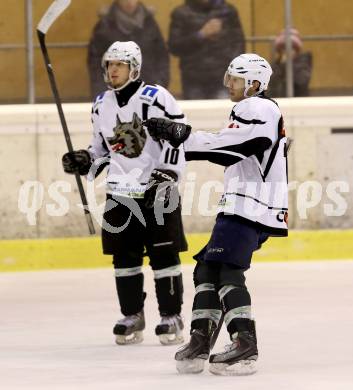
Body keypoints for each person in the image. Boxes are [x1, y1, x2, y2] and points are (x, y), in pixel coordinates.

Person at [144, 53, 289, 375]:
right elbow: (233, 146)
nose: (229, 85)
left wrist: (182, 135)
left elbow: (234, 147)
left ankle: (244, 344)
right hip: (245, 204)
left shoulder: (258, 107)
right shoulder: (253, 109)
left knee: (226, 270)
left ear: (254, 83)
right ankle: (201, 338)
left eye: (235, 79)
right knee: (206, 269)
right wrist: (178, 136)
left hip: (250, 205)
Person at [62, 41, 187, 346]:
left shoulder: (156, 98)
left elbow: (179, 137)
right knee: (124, 257)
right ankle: (132, 314)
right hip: (121, 191)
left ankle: (171, 316)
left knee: (163, 254)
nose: (113, 70)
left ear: (134, 67)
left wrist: (168, 173)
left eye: (119, 64)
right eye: (109, 64)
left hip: (158, 188)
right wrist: (85, 159)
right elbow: (103, 149)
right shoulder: (101, 104)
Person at [87, 0, 169, 99]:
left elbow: (162, 55)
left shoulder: (149, 23)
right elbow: (95, 62)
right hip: (115, 92)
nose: (129, 2)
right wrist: (102, 92)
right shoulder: (104, 25)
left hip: (148, 89)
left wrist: (160, 84)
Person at [168, 0, 245, 99]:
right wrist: (201, 35)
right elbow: (175, 47)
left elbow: (238, 42)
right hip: (194, 79)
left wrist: (234, 69)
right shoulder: (181, 13)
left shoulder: (228, 11)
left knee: (223, 112)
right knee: (196, 113)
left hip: (223, 76)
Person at [269, 28, 312, 97]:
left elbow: (301, 81)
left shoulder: (303, 63)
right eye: (283, 48)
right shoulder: (275, 65)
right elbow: (272, 85)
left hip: (298, 102)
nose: (287, 51)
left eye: (291, 48)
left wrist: (285, 64)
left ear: (297, 50)